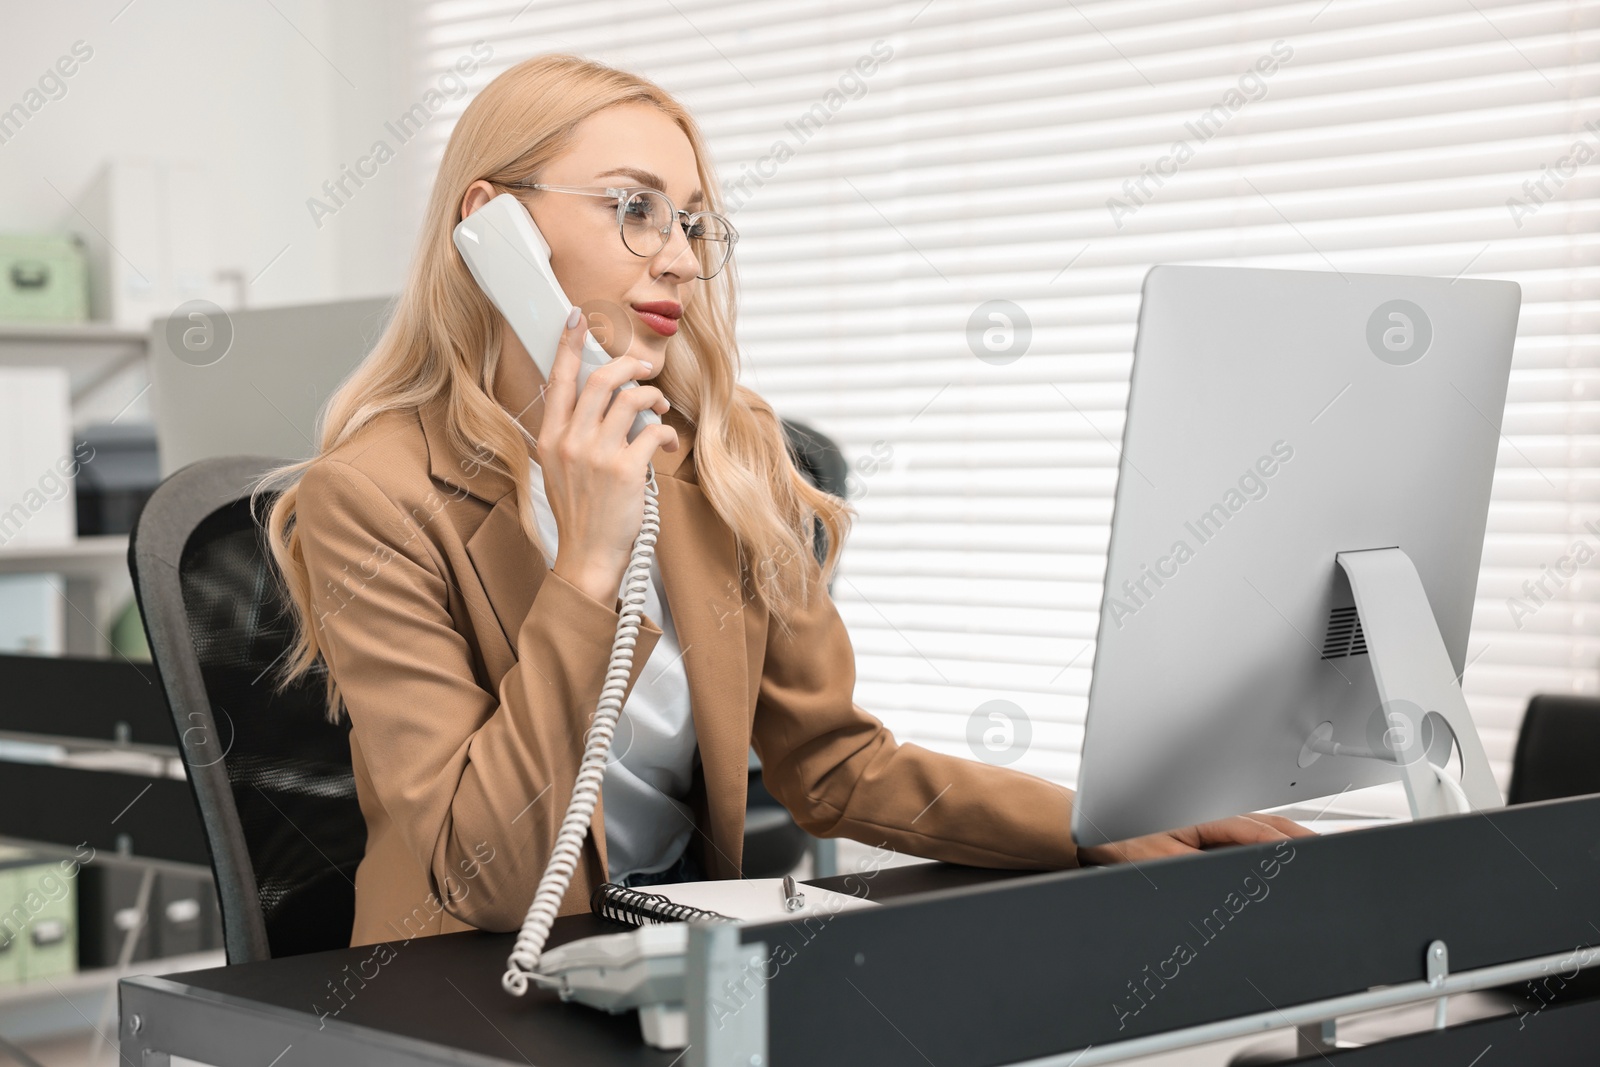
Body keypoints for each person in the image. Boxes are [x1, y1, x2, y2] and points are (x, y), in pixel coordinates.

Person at [261, 53, 1311, 948]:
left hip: (663, 957)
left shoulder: (724, 451)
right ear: (493, 227)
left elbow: (840, 770)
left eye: (691, 222)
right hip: (462, 983)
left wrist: (1102, 824)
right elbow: (486, 877)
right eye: (632, 209)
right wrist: (586, 563)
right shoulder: (372, 496)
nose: (677, 254)